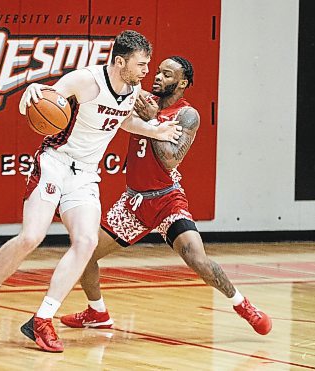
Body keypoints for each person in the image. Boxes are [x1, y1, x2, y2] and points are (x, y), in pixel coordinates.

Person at [0, 30, 183, 353]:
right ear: (120, 62)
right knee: (31, 237)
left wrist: (152, 129)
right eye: (141, 65)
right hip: (55, 162)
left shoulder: (132, 91)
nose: (147, 71)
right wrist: (34, 92)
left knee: (87, 241)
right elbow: (43, 99)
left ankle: (42, 319)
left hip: (85, 174)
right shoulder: (85, 80)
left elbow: (120, 121)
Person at [58, 56, 272, 336]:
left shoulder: (187, 115)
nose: (157, 77)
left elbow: (170, 161)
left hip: (166, 200)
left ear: (182, 83)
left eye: (167, 75)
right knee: (84, 254)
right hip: (133, 202)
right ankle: (97, 312)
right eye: (157, 71)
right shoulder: (142, 99)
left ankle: (242, 305)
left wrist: (153, 121)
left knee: (196, 258)